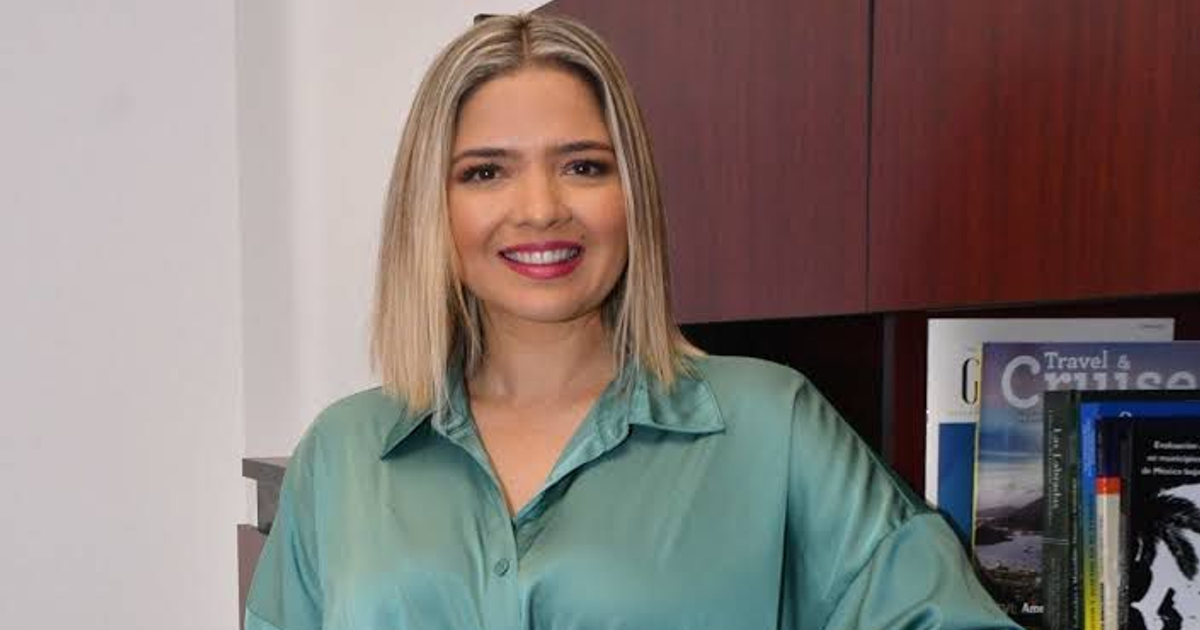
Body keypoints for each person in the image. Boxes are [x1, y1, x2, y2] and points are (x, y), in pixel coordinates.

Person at [244, 13, 1019, 630]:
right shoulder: (341, 456)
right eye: (486, 172)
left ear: (632, 197)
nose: (541, 208)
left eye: (584, 165)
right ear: (432, 209)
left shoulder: (770, 427)